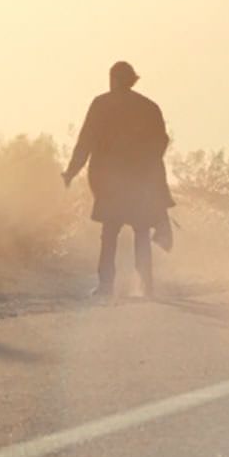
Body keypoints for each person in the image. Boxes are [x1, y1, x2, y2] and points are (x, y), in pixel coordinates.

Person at [62, 61, 175, 297]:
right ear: (132, 80)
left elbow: (86, 141)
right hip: (139, 181)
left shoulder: (102, 104)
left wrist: (72, 171)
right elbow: (161, 142)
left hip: (110, 182)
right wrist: (147, 166)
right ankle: (146, 285)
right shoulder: (149, 107)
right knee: (141, 232)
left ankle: (106, 286)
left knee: (110, 233)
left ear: (113, 79)